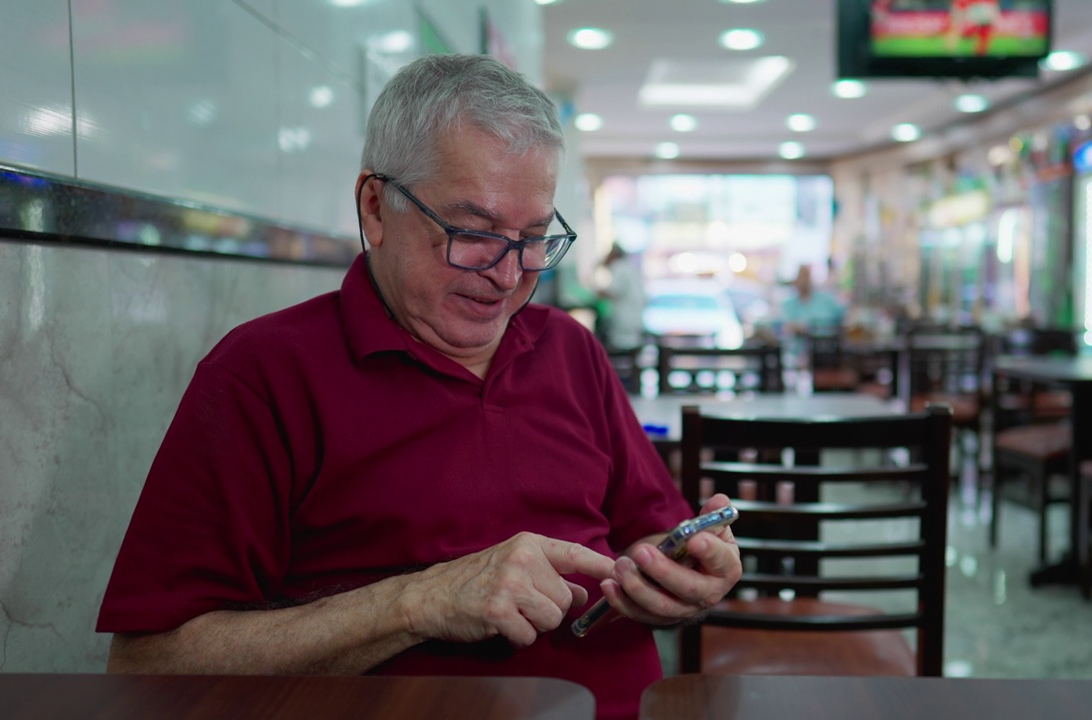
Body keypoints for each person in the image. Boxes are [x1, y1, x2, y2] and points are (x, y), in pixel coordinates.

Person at [96, 54, 740, 720]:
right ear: (375, 209)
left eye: (535, 238)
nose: (509, 274)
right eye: (475, 233)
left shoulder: (569, 348)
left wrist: (687, 576)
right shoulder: (263, 375)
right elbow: (148, 666)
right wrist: (420, 602)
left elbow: (653, 535)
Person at [597, 243, 647, 349]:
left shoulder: (619, 266)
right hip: (634, 317)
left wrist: (597, 292)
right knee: (632, 347)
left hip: (624, 318)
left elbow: (613, 291)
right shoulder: (630, 267)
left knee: (622, 348)